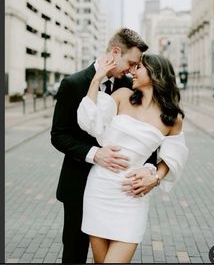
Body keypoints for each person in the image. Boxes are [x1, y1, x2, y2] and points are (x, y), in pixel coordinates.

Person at [51, 28, 158, 264]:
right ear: (115, 52)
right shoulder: (73, 83)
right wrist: (94, 154)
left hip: (119, 190)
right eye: (130, 62)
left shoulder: (132, 86)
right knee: (74, 252)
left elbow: (148, 135)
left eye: (136, 65)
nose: (132, 69)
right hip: (78, 183)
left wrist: (151, 170)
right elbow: (58, 135)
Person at [77, 53, 189, 263]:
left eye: (139, 67)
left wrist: (154, 178)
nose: (132, 71)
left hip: (132, 194)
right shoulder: (121, 95)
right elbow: (89, 122)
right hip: (100, 189)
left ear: (156, 74)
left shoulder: (172, 118)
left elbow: (174, 157)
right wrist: (96, 79)